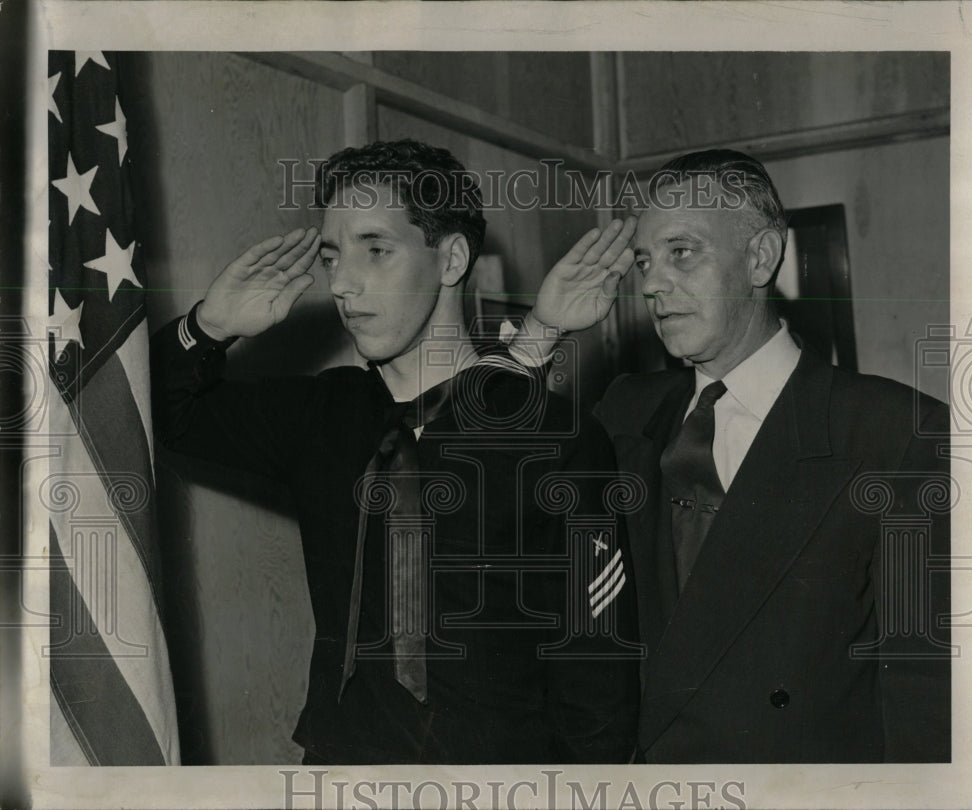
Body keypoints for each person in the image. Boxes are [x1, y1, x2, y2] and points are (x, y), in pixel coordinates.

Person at [150, 139, 641, 764]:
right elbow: (167, 414)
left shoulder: (553, 436)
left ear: (452, 258)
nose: (344, 284)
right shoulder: (321, 416)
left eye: (376, 250)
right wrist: (208, 327)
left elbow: (597, 680)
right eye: (332, 257)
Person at [514, 149, 951, 763]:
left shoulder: (894, 433)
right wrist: (540, 331)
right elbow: (468, 485)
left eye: (681, 253)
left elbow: (927, 700)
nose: (651, 284)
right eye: (644, 260)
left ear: (761, 258)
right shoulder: (624, 412)